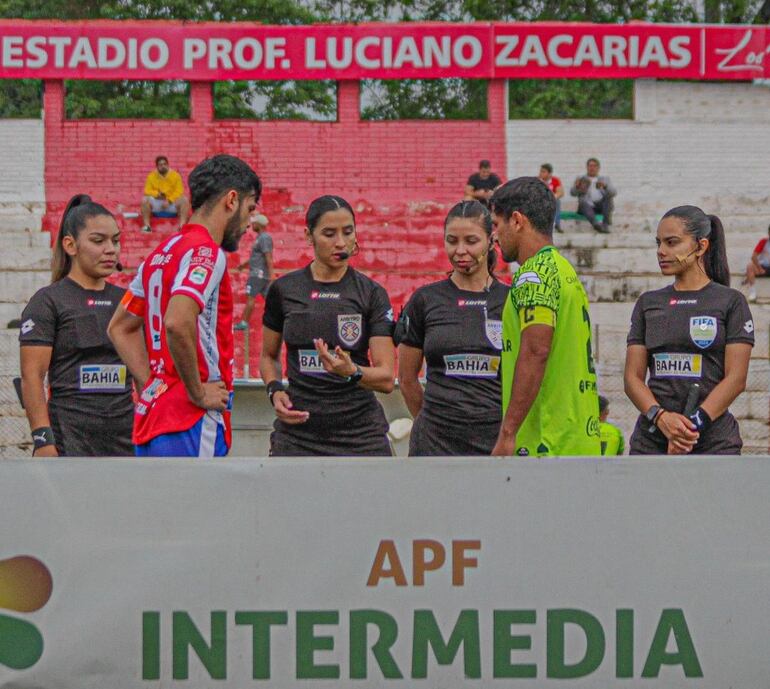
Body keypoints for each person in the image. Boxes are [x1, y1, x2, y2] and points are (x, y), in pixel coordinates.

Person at [108, 155, 261, 457]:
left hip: (154, 415)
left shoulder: (160, 253)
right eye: (250, 208)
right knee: (197, 504)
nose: (249, 223)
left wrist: (153, 384)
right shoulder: (207, 252)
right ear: (232, 200)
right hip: (191, 418)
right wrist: (197, 391)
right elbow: (178, 321)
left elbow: (120, 328)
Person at [260, 195, 395, 456]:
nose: (341, 243)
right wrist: (275, 391)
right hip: (298, 434)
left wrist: (352, 371)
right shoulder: (285, 289)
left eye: (348, 232)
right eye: (329, 234)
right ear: (308, 236)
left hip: (360, 436)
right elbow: (268, 356)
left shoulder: (371, 293)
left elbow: (387, 377)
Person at [624, 205, 754, 455]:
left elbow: (736, 379)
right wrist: (661, 418)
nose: (661, 251)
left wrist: (689, 429)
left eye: (672, 242)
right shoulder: (648, 303)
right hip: (652, 440)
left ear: (701, 246)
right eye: (658, 243)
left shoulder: (731, 302)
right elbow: (632, 378)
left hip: (712, 442)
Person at [489, 177, 601, 457]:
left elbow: (536, 349)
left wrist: (508, 432)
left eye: (495, 224)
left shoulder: (533, 274)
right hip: (577, 435)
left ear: (516, 221)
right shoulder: (563, 270)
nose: (494, 235)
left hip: (546, 444)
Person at [19, 195, 133, 457]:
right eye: (98, 241)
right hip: (68, 441)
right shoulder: (47, 301)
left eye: (115, 240)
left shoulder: (126, 301)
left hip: (125, 442)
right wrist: (43, 440)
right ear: (70, 245)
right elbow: (32, 377)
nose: (111, 249)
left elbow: (143, 373)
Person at [397, 200, 508, 456]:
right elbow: (406, 378)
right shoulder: (425, 300)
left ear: (491, 241)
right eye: (452, 240)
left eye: (471, 241)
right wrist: (433, 422)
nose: (460, 250)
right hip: (434, 443)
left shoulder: (510, 301)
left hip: (494, 442)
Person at [234, 213, 273, 330]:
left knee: (250, 297)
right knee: (270, 300)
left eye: (254, 223)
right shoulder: (260, 238)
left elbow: (268, 256)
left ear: (259, 224)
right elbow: (256, 257)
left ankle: (244, 323)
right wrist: (243, 265)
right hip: (260, 274)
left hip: (257, 274)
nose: (252, 224)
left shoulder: (264, 238)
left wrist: (272, 274)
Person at [140, 155, 191, 233]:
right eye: (160, 165)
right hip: (157, 203)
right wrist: (157, 194)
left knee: (184, 200)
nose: (163, 166)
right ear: (157, 166)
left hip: (172, 204)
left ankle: (182, 226)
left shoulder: (175, 176)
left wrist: (169, 200)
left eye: (165, 164)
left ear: (168, 165)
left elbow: (179, 191)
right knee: (144, 199)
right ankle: (147, 226)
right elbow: (147, 190)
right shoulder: (151, 176)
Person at [570, 157, 616, 234]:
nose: (592, 168)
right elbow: (572, 193)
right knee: (583, 202)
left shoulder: (604, 179)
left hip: (600, 206)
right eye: (590, 166)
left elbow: (613, 193)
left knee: (608, 198)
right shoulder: (581, 178)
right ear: (587, 167)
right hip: (586, 207)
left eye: (594, 166)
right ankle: (596, 224)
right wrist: (577, 187)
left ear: (598, 168)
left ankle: (605, 225)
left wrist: (605, 186)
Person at [743, 223, 770, 302]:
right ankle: (752, 293)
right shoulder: (764, 242)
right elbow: (753, 257)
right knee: (750, 266)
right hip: (763, 267)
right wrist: (759, 268)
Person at [538, 163, 565, 233]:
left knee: (557, 201)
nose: (541, 173)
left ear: (549, 173)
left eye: (543, 172)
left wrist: (552, 197)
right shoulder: (537, 181)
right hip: (540, 201)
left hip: (551, 201)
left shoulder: (555, 180)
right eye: (540, 171)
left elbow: (560, 193)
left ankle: (557, 224)